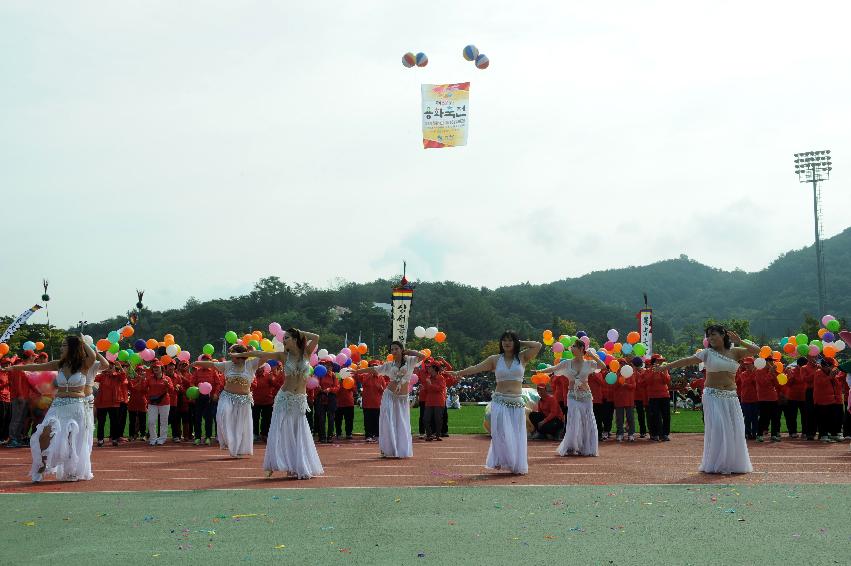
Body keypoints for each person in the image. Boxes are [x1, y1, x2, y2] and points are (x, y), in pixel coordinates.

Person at [659, 324, 758, 474]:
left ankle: (732, 464)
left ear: (723, 335)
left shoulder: (735, 352)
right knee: (718, 428)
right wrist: (666, 366)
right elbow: (686, 361)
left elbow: (756, 350)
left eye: (714, 334)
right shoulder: (707, 353)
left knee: (733, 429)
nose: (710, 338)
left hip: (731, 396)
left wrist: (740, 341)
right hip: (712, 395)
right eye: (708, 335)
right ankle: (716, 463)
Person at [232, 328, 322, 479]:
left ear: (295, 339)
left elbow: (317, 336)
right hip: (285, 397)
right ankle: (279, 463)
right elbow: (261, 354)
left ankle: (296, 465)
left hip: (299, 399)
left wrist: (299, 332)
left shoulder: (306, 352)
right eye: (283, 338)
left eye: (287, 337)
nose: (283, 340)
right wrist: (242, 354)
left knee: (298, 431)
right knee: (281, 430)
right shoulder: (283, 355)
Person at [450, 331, 542, 473]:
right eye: (504, 340)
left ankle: (514, 463)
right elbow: (476, 368)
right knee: (500, 433)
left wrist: (519, 341)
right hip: (499, 400)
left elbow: (537, 345)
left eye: (510, 340)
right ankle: (500, 460)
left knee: (516, 434)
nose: (507, 343)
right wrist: (459, 372)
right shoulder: (495, 359)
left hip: (517, 402)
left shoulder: (522, 357)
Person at [13, 335, 97, 482]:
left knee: (72, 438)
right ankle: (41, 467)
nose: (61, 347)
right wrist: (15, 367)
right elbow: (37, 367)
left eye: (64, 345)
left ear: (72, 348)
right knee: (44, 434)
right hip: (58, 405)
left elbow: (93, 355)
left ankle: (71, 470)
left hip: (76, 406)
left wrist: (82, 342)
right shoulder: (59, 364)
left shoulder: (84, 364)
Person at [354, 342, 426, 458]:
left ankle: (400, 450)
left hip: (402, 398)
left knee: (402, 423)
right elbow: (374, 369)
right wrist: (358, 371)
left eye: (396, 349)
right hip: (389, 395)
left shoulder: (410, 360)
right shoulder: (389, 365)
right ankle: (387, 450)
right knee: (387, 421)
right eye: (392, 349)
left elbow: (423, 356)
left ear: (402, 349)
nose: (394, 351)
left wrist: (408, 351)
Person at [538, 340, 607, 456]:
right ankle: (571, 446)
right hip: (572, 396)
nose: (571, 348)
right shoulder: (567, 363)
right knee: (573, 420)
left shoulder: (588, 363)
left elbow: (603, 366)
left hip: (586, 396)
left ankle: (586, 447)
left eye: (574, 346)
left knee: (587, 420)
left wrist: (593, 356)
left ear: (581, 348)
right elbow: (554, 368)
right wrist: (540, 371)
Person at [193, 345, 259, 457]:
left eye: (233, 354)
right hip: (227, 397)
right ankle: (230, 442)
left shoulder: (251, 365)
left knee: (239, 426)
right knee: (222, 415)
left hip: (243, 400)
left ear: (239, 355)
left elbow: (265, 356)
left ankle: (236, 449)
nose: (230, 356)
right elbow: (212, 364)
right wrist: (196, 363)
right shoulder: (228, 364)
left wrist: (248, 353)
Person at [190, 354, 221, 445]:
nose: (205, 362)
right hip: (199, 398)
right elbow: (192, 383)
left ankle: (208, 437)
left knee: (208, 418)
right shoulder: (197, 372)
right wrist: (194, 390)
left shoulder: (213, 372)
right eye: (203, 360)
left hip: (209, 398)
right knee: (197, 418)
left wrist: (215, 394)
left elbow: (218, 384)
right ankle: (197, 437)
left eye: (207, 360)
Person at [356, 360, 387, 442]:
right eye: (373, 367)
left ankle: (377, 435)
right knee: (368, 421)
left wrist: (381, 389)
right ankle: (368, 435)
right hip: (367, 403)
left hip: (378, 404)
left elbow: (385, 390)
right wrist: (358, 367)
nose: (374, 368)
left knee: (377, 420)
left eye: (376, 366)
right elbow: (357, 377)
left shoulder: (381, 378)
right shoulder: (365, 376)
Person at [144, 360, 173, 445]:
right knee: (151, 421)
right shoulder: (149, 378)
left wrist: (167, 384)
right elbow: (143, 389)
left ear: (162, 368)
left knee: (164, 421)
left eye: (157, 367)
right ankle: (153, 438)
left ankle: (162, 438)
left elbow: (172, 390)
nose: (155, 368)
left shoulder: (167, 378)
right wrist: (142, 380)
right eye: (154, 367)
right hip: (152, 403)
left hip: (164, 402)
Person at [754, 358, 781, 442]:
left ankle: (773, 435)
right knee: (763, 417)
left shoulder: (772, 371)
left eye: (772, 361)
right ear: (764, 362)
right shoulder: (759, 371)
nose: (771, 363)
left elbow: (777, 384)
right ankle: (759, 435)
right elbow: (763, 383)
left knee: (775, 417)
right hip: (763, 398)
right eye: (769, 361)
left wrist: (774, 374)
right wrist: (770, 372)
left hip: (773, 397)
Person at [645, 354, 671, 441]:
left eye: (661, 360)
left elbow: (667, 381)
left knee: (666, 416)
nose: (661, 362)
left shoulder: (664, 370)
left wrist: (661, 372)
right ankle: (655, 434)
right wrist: (654, 372)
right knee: (655, 416)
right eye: (659, 360)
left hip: (664, 395)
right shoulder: (648, 370)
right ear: (654, 361)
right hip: (653, 396)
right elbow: (648, 382)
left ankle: (665, 434)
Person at [313, 360, 339, 444]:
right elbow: (315, 385)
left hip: (331, 398)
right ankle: (322, 436)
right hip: (321, 397)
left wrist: (330, 389)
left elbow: (337, 387)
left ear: (332, 367)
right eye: (326, 366)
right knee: (321, 418)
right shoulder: (320, 375)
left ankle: (330, 436)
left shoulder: (333, 376)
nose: (328, 367)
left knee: (331, 418)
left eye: (330, 366)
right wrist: (319, 388)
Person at [735, 357, 759, 440]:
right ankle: (748, 433)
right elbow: (746, 381)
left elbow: (757, 382)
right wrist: (753, 373)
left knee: (755, 417)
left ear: (753, 364)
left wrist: (754, 374)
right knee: (747, 417)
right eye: (746, 364)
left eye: (749, 364)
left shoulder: (757, 373)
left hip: (755, 398)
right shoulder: (743, 374)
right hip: (745, 398)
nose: (747, 366)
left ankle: (755, 432)